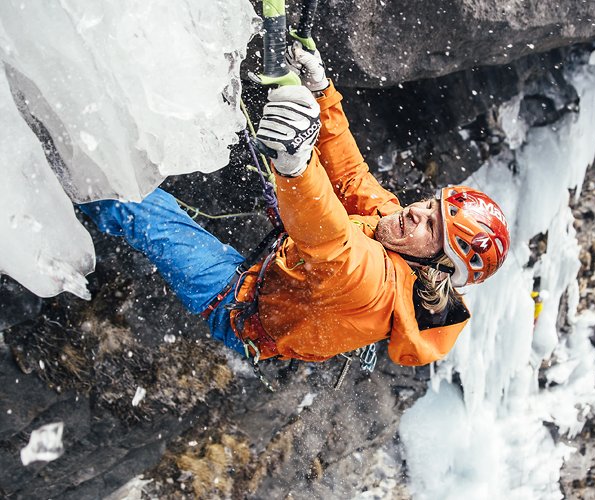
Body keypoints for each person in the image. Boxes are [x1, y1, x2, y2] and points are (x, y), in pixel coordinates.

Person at [80, 42, 510, 367]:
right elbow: (351, 178)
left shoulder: (373, 289)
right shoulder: (398, 228)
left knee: (139, 207)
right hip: (278, 274)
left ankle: (71, 169)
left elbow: (331, 241)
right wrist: (322, 92)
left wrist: (296, 165)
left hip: (237, 305)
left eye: (434, 229)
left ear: (435, 265)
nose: (418, 213)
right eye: (431, 206)